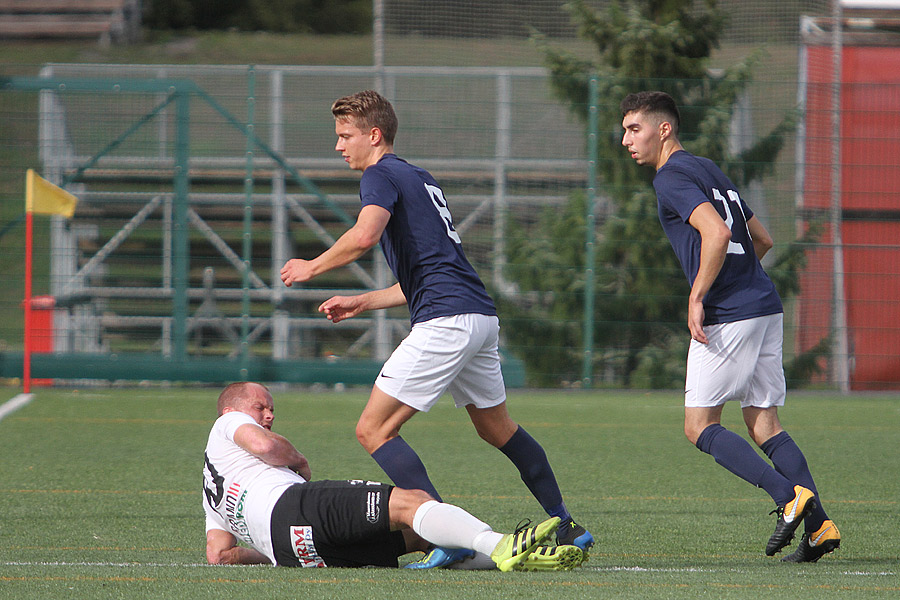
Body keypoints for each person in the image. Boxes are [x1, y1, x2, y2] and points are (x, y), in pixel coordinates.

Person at [279, 90, 593, 568]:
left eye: (345, 136)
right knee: (497, 428)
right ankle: (564, 520)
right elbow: (426, 275)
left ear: (374, 135)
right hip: (479, 318)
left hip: (446, 321)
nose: (339, 146)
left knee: (373, 429)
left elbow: (364, 236)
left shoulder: (379, 174)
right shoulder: (418, 177)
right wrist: (364, 300)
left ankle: (448, 537)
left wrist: (312, 266)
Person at [619, 91, 840, 562]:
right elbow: (762, 238)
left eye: (634, 128)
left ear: (664, 129)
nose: (625, 140)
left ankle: (789, 498)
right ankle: (819, 527)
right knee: (764, 421)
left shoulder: (671, 178)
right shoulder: (708, 168)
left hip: (730, 314)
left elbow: (716, 232)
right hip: (764, 304)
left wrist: (699, 296)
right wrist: (741, 281)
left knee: (699, 427)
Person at [202, 382, 584, 571]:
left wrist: (270, 550)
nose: (269, 415)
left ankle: (530, 557)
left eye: (271, 409)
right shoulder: (227, 424)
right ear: (230, 411)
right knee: (412, 501)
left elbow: (219, 555)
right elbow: (266, 448)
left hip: (296, 553)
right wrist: (299, 460)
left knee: (419, 536)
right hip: (292, 507)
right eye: (261, 407)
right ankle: (503, 545)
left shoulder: (210, 490)